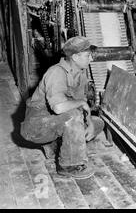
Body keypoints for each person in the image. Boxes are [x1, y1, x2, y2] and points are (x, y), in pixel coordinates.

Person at [21, 36, 105, 179]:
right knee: (73, 116)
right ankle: (69, 165)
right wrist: (81, 104)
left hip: (55, 120)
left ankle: (57, 147)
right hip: (36, 126)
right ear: (75, 57)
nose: (91, 59)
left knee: (98, 123)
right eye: (88, 55)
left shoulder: (80, 73)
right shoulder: (56, 72)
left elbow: (81, 104)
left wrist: (89, 122)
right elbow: (59, 108)